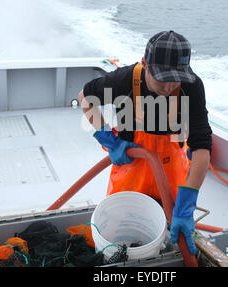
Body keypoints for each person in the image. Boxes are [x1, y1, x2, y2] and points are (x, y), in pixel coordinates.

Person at [78, 31, 212, 255]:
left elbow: (202, 148)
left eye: (175, 79)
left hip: (171, 169)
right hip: (132, 164)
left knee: (172, 230)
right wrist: (109, 140)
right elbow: (85, 97)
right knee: (120, 221)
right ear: (145, 64)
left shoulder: (192, 86)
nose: (169, 87)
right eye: (162, 78)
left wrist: (187, 204)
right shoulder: (124, 80)